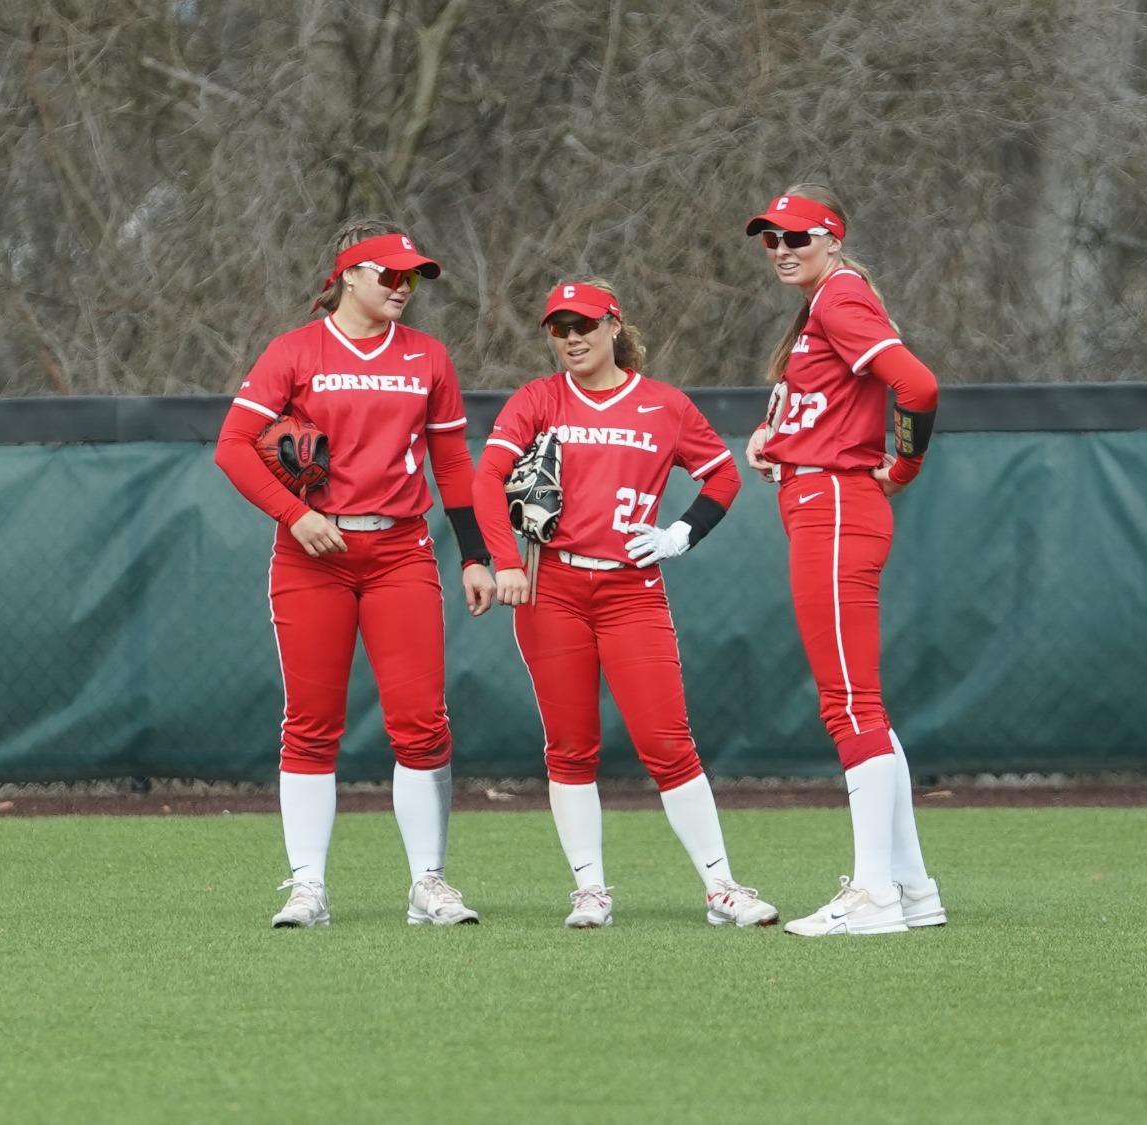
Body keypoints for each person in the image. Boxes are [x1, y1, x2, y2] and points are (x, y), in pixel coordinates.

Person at [215, 218, 497, 929]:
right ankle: (307, 884)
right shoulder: (295, 351)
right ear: (348, 275)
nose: (403, 287)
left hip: (400, 551)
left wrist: (474, 553)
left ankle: (428, 880)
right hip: (314, 555)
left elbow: (454, 464)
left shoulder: (428, 356)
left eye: (412, 277)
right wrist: (294, 513)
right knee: (311, 724)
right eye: (389, 275)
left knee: (422, 723)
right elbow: (234, 446)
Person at [472, 278, 780, 929]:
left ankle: (722, 885)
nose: (572, 338)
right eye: (559, 328)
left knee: (667, 741)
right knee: (571, 745)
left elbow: (722, 474)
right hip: (551, 587)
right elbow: (486, 477)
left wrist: (680, 533)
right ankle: (590, 889)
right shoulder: (539, 398)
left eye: (584, 323)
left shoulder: (662, 405)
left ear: (615, 325)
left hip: (630, 590)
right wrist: (504, 561)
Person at [740, 185, 947, 937]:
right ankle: (912, 887)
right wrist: (776, 438)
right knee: (862, 702)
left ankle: (873, 895)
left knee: (848, 703)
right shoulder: (823, 306)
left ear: (832, 238)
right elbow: (827, 405)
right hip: (821, 500)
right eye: (771, 239)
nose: (782, 249)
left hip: (834, 506)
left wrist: (905, 466)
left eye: (797, 236)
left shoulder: (838, 296)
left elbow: (917, 386)